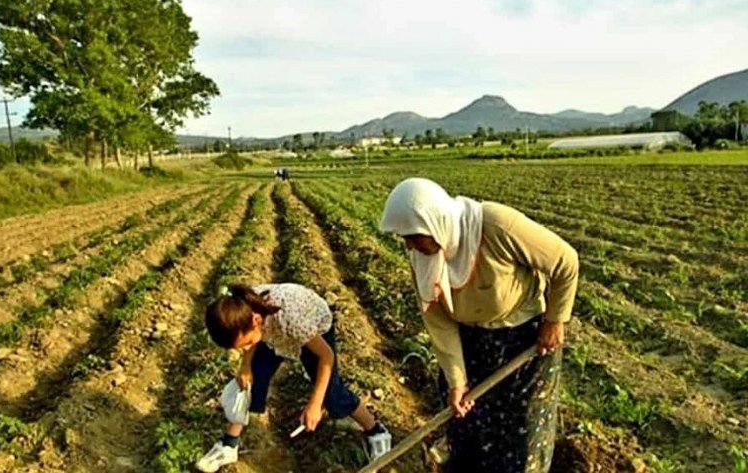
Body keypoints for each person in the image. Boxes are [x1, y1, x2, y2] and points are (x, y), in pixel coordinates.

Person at [379, 178, 578, 472]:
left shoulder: (497, 226)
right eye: (404, 238)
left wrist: (555, 320)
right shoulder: (423, 256)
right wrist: (457, 381)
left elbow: (566, 261)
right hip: (470, 340)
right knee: (468, 426)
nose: (409, 245)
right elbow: (439, 322)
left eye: (413, 236)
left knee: (519, 432)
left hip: (523, 340)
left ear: (435, 223)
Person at [196, 283, 392, 472]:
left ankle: (376, 430)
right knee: (250, 380)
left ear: (255, 321)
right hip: (271, 330)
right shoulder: (243, 309)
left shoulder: (291, 320)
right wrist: (245, 366)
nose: (245, 349)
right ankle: (229, 445)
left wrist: (315, 404)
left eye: (246, 343)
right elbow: (249, 343)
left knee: (331, 393)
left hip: (313, 327)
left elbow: (327, 357)